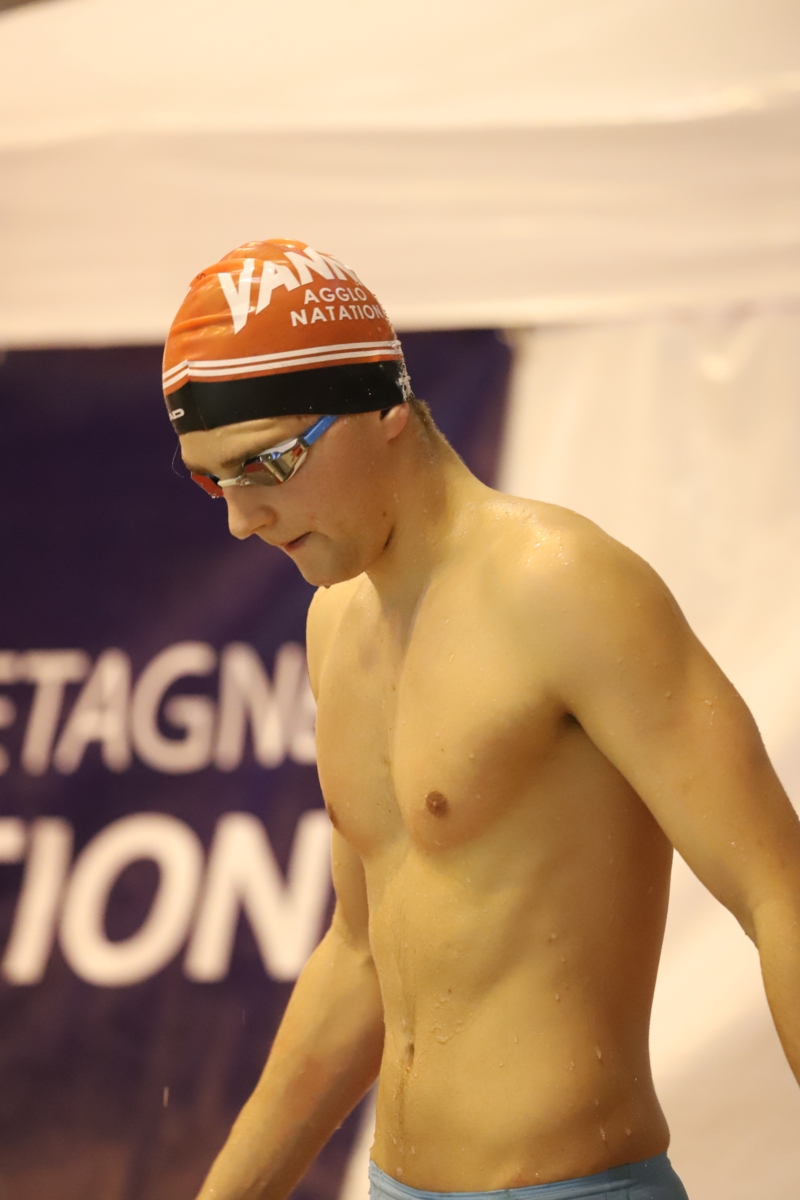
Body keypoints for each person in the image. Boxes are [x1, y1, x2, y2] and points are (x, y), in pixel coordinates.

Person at [163, 239, 800, 1200]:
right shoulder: (336, 623)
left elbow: (777, 892)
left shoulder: (563, 587)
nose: (242, 519)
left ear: (382, 406)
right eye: (213, 480)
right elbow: (359, 958)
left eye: (266, 463)